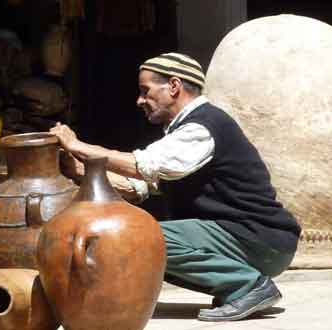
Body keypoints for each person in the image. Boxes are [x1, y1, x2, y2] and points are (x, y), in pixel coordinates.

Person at [49, 52, 302, 322]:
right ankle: (238, 284)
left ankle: (246, 285)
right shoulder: (182, 132)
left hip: (261, 239)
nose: (140, 100)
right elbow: (136, 186)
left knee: (139, 238)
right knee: (140, 245)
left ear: (173, 86)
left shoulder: (203, 127)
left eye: (145, 91)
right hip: (247, 239)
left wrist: (78, 146)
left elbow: (141, 165)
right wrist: (77, 170)